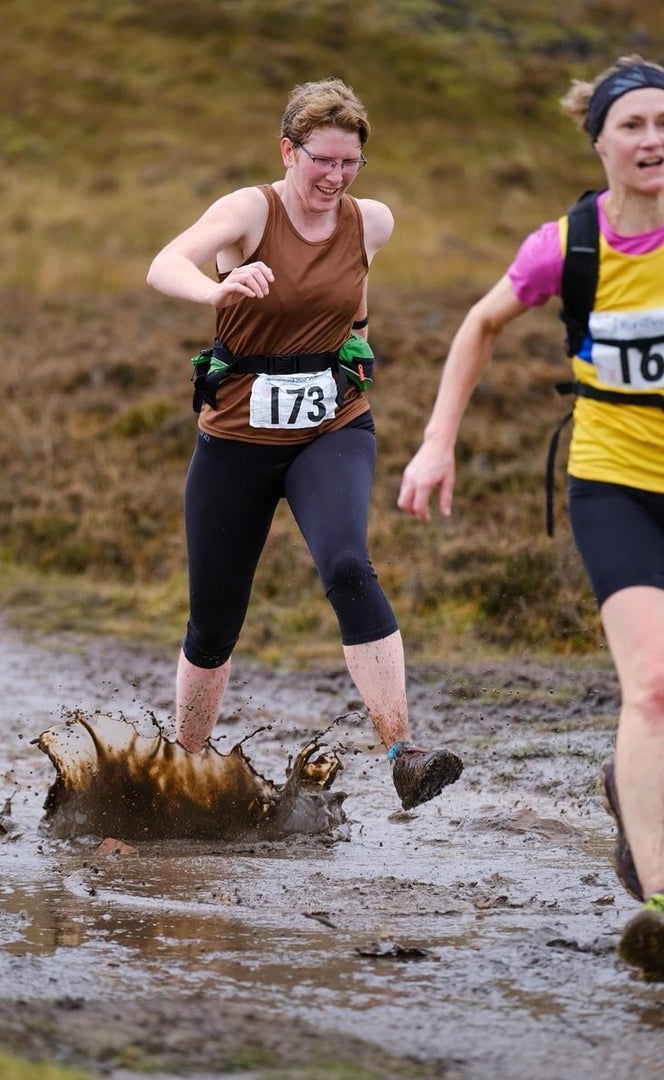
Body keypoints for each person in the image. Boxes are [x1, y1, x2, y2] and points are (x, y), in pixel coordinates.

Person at [398, 55, 664, 977]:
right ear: (598, 138)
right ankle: (662, 902)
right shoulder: (566, 246)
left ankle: (635, 796)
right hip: (614, 480)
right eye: (632, 124)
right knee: (653, 687)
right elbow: (479, 323)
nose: (653, 138)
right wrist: (439, 441)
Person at [147, 77, 463, 812]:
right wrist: (217, 292)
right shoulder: (248, 211)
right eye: (322, 160)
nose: (335, 177)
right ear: (288, 151)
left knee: (349, 563)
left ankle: (404, 752)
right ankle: (185, 772)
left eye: (350, 163)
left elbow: (343, 304)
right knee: (214, 619)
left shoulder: (371, 222)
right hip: (236, 437)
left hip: (332, 425)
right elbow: (164, 265)